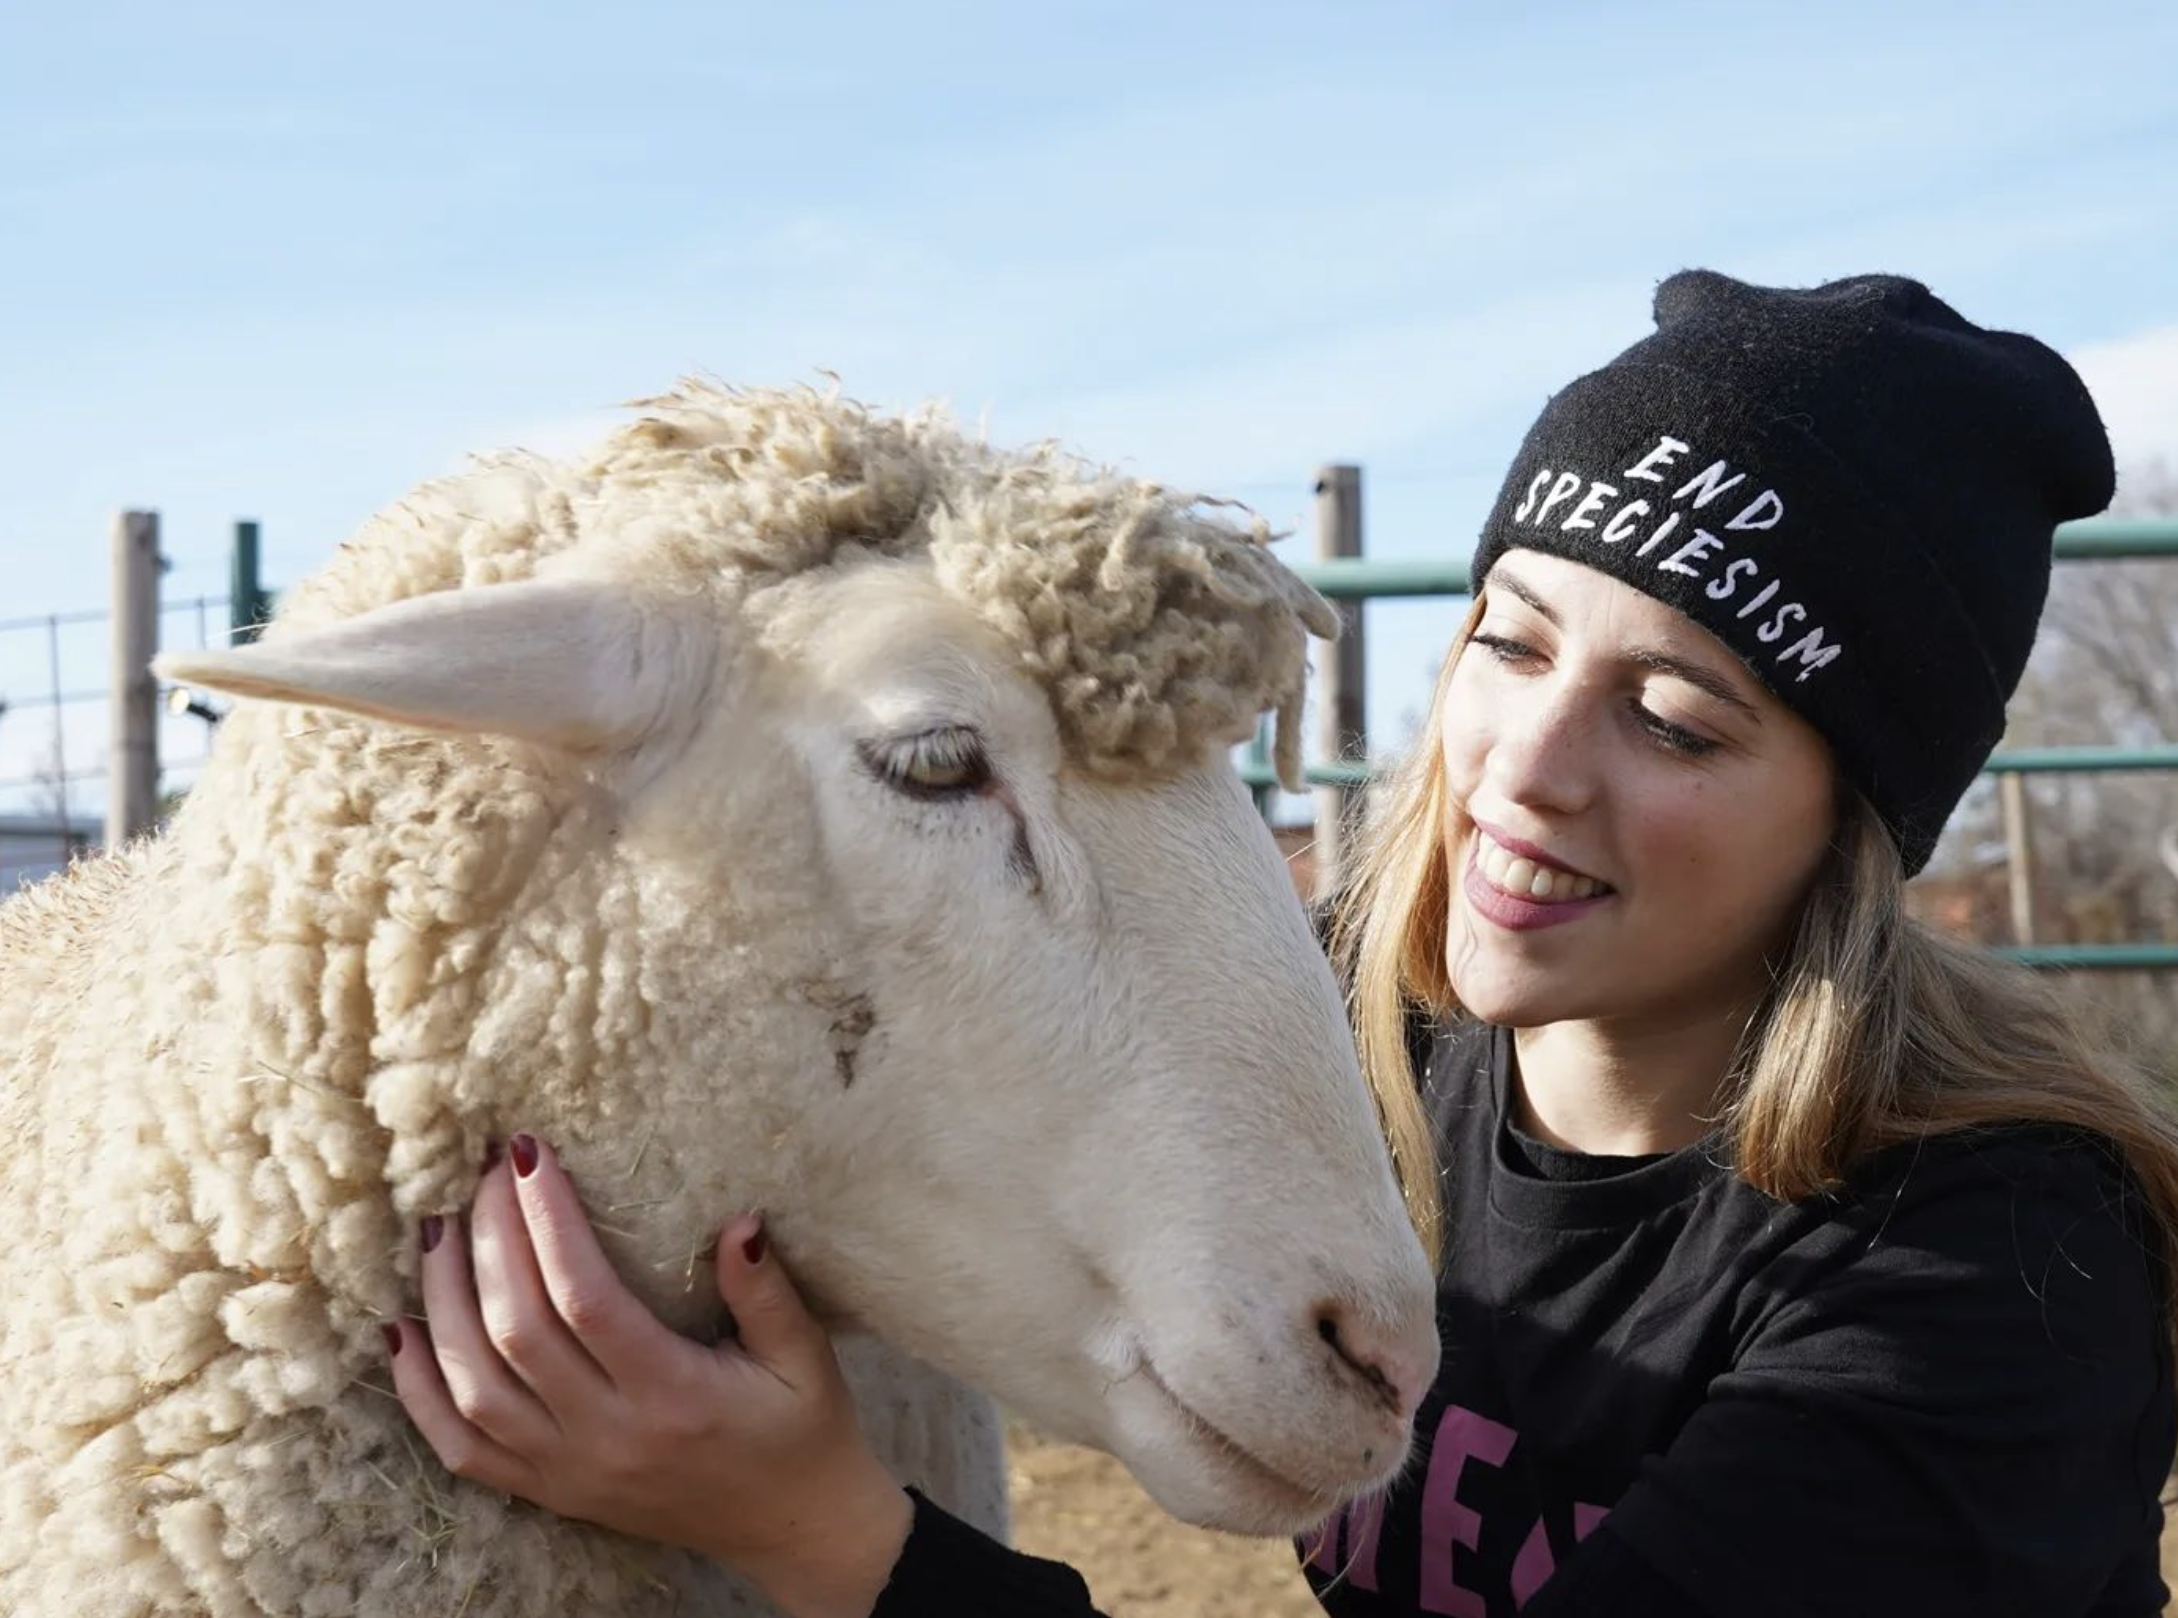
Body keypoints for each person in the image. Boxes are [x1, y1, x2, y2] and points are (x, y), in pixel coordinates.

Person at [386, 271, 2178, 1617]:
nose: (1526, 773)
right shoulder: (1332, 1029)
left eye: (1680, 721)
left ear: (1849, 821)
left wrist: (827, 1534)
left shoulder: (1994, 1271)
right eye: (1510, 641)